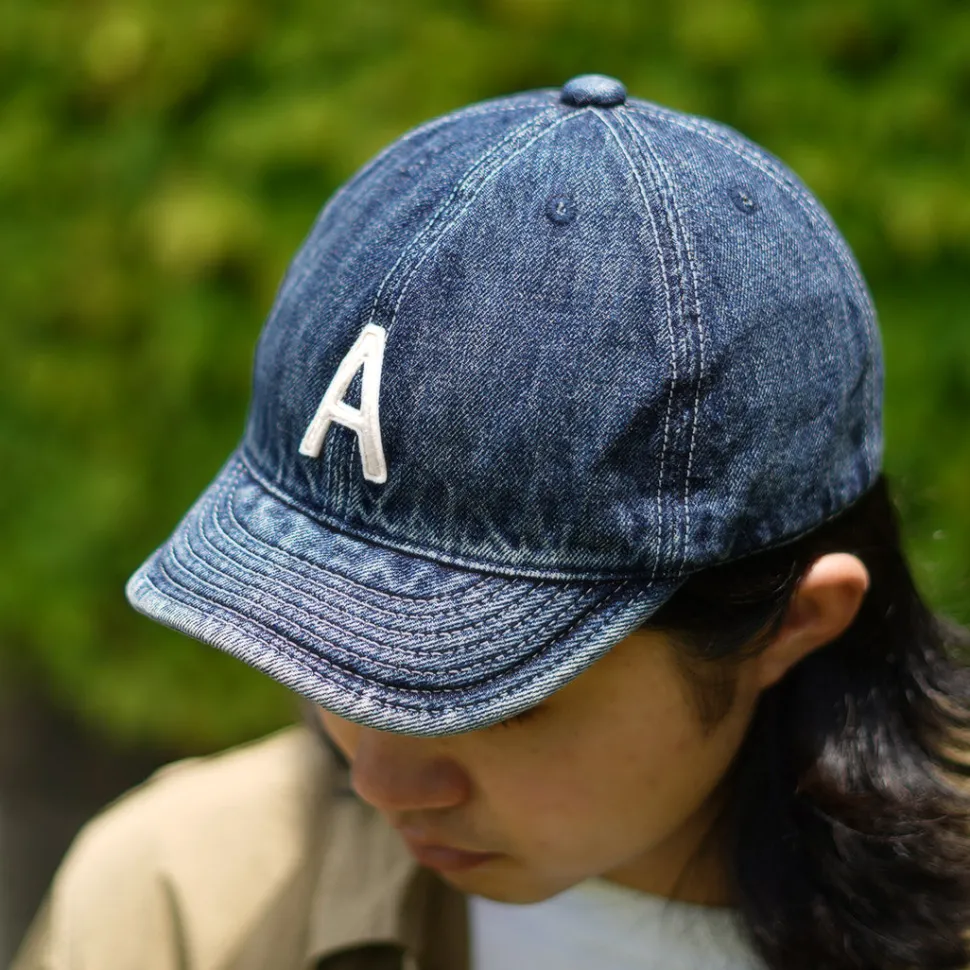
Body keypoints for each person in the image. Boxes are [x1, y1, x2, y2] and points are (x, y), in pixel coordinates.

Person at [13, 73, 970, 970]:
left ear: (793, 624)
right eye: (327, 646)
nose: (383, 775)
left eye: (496, 696)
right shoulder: (178, 901)